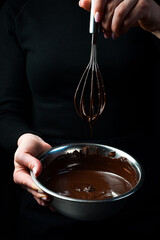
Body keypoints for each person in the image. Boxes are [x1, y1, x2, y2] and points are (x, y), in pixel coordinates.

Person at [0, 0, 160, 239]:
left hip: (140, 206)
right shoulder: (20, 8)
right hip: (45, 199)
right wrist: (21, 140)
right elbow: (6, 111)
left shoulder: (145, 6)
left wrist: (158, 22)